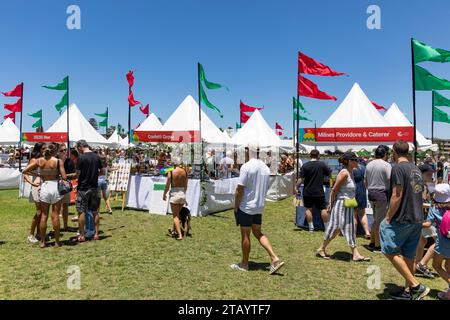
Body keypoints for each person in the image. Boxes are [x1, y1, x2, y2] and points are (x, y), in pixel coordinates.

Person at [379, 140, 430, 300]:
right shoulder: (415, 168)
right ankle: (409, 291)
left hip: (403, 217)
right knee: (409, 256)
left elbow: (397, 194)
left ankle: (415, 286)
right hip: (417, 217)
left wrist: (388, 217)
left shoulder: (398, 168)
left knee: (388, 250)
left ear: (394, 151)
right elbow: (421, 193)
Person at [231, 147, 285, 274]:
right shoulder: (265, 167)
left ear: (248, 151)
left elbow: (240, 189)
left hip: (246, 206)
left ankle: (244, 264)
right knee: (258, 233)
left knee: (245, 234)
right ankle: (274, 257)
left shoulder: (246, 166)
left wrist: (235, 206)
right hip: (259, 206)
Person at [316, 152, 370, 262]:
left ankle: (355, 253)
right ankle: (321, 248)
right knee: (334, 227)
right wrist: (331, 205)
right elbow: (334, 190)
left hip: (348, 204)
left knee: (348, 228)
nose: (357, 162)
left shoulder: (351, 172)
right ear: (350, 161)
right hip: (340, 205)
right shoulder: (344, 173)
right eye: (355, 160)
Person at [22, 143, 67, 248]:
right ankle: (56, 242)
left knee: (44, 216)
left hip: (45, 186)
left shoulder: (39, 160)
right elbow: (64, 177)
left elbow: (24, 170)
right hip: (55, 186)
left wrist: (38, 174)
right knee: (55, 215)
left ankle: (42, 242)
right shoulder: (58, 161)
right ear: (54, 151)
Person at [74, 140, 104, 242]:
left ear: (80, 146)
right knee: (95, 211)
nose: (78, 151)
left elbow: (77, 174)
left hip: (83, 188)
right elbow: (103, 172)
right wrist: (94, 175)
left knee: (81, 211)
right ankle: (96, 234)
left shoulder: (81, 158)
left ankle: (82, 235)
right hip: (94, 187)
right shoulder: (97, 157)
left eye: (78, 149)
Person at [365, 145, 391, 252]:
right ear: (385, 154)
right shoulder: (386, 165)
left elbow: (365, 181)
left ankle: (372, 242)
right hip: (382, 194)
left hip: (371, 193)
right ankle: (377, 245)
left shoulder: (369, 164)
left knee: (376, 219)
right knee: (380, 221)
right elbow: (390, 179)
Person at [297, 149, 332, 232]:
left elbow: (300, 179)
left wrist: (296, 187)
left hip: (307, 191)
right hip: (319, 191)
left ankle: (311, 228)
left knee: (308, 209)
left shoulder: (305, 166)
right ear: (318, 156)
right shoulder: (322, 165)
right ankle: (327, 227)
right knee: (323, 209)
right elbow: (329, 174)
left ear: (310, 156)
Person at [427, 183, 450, 300]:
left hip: (443, 243)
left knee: (436, 265)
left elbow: (427, 224)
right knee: (448, 266)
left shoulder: (435, 208)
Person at [415, 164, 437, 279]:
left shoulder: (430, 184)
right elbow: (417, 202)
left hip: (426, 215)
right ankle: (422, 264)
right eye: (428, 174)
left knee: (422, 241)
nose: (431, 176)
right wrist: (430, 206)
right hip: (424, 217)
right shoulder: (417, 184)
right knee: (438, 242)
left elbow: (434, 198)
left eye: (432, 174)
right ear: (421, 173)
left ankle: (418, 263)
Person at [23, 142, 45, 244]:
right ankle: (31, 234)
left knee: (43, 212)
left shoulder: (44, 158)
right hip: (37, 186)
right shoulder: (34, 160)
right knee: (39, 211)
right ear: (39, 149)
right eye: (43, 148)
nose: (45, 150)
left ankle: (39, 233)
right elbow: (25, 173)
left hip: (44, 186)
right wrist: (32, 183)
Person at [163, 157, 188, 240]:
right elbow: (186, 185)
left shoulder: (171, 171)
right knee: (177, 214)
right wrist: (184, 194)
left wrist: (164, 194)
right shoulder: (185, 171)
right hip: (182, 194)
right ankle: (173, 229)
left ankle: (180, 235)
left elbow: (167, 185)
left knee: (175, 216)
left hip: (174, 194)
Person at [58, 145, 77, 231]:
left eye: (65, 150)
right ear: (58, 151)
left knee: (65, 205)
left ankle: (65, 226)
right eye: (62, 150)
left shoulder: (70, 161)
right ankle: (56, 227)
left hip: (65, 186)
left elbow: (74, 174)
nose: (64, 152)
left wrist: (64, 176)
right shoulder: (55, 161)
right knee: (56, 207)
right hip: (56, 186)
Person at [353, 159, 371, 239]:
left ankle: (354, 233)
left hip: (353, 192)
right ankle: (367, 232)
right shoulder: (364, 168)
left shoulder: (351, 168)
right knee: (362, 213)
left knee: (353, 214)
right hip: (362, 192)